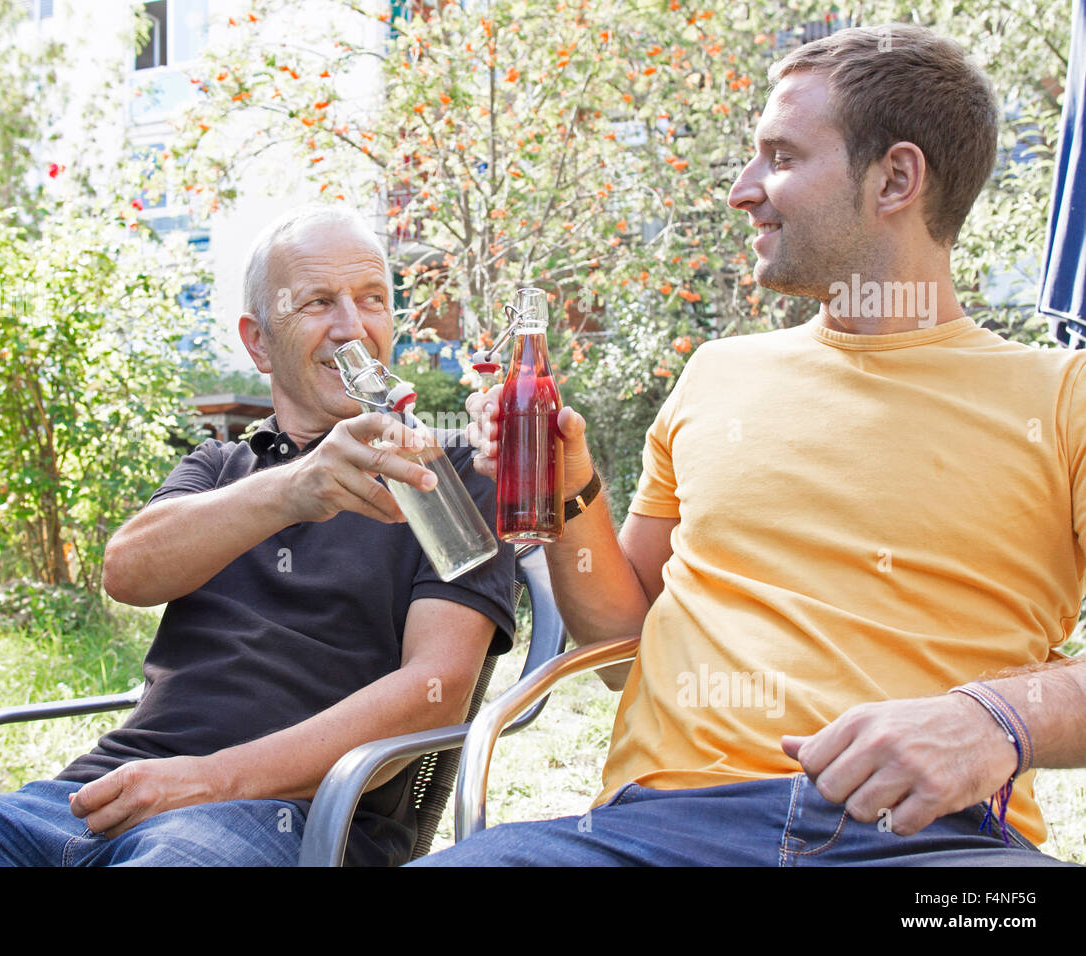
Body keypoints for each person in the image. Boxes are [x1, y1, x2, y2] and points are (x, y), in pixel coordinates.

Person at [415, 24, 1086, 866]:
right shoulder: (715, 375)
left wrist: (995, 720)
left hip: (933, 847)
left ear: (897, 178)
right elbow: (625, 646)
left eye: (781, 157)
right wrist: (572, 490)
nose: (742, 190)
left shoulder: (1063, 399)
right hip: (651, 833)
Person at [0, 205, 517, 867]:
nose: (353, 328)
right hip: (92, 800)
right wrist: (292, 489)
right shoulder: (220, 466)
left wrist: (205, 780)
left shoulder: (447, 474)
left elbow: (434, 692)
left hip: (287, 822)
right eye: (319, 303)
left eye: (372, 301)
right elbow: (128, 572)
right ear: (259, 344)